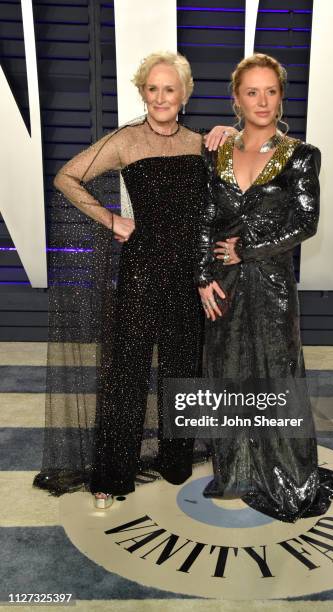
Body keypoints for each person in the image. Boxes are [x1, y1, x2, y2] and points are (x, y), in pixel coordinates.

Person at [32, 51, 234, 509]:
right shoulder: (125, 141)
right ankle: (112, 474)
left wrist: (234, 131)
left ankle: (175, 460)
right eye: (153, 88)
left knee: (183, 370)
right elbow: (67, 177)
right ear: (143, 92)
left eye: (170, 89)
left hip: (188, 275)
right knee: (127, 374)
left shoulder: (202, 144)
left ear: (184, 95)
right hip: (142, 271)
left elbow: (270, 148)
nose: (161, 97)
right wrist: (109, 218)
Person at [197, 53, 333, 522]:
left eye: (271, 91)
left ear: (281, 97)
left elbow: (306, 222)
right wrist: (203, 276)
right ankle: (237, 469)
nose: (262, 101)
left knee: (275, 373)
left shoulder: (300, 155)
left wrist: (249, 248)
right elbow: (205, 218)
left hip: (271, 284)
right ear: (237, 99)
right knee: (227, 372)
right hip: (222, 283)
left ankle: (286, 471)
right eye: (251, 92)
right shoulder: (218, 150)